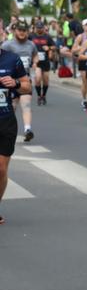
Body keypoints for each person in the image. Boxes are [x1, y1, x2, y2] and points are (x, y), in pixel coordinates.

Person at [0, 44, 32, 224]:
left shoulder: (12, 59)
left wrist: (16, 83)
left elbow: (27, 87)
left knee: (1, 169)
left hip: (5, 121)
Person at [1, 21, 38, 142]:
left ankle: (28, 129)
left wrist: (35, 63)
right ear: (15, 31)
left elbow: (35, 55)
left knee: (26, 104)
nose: (22, 33)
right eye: (20, 30)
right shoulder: (7, 45)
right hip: (7, 83)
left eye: (24, 30)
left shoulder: (31, 44)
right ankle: (8, 127)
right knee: (12, 105)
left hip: (23, 80)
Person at [29, 21, 55, 106]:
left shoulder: (47, 37)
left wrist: (49, 47)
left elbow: (54, 46)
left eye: (41, 28)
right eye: (38, 28)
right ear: (35, 28)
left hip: (45, 61)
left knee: (46, 80)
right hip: (36, 61)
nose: (39, 29)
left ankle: (43, 95)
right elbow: (26, 44)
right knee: (38, 78)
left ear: (43, 28)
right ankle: (39, 96)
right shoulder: (31, 36)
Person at [72, 19, 87, 109]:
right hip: (83, 60)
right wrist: (82, 46)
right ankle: (84, 99)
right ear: (83, 27)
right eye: (86, 25)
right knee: (85, 81)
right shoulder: (80, 37)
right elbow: (73, 50)